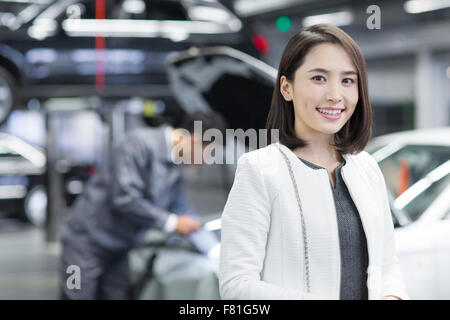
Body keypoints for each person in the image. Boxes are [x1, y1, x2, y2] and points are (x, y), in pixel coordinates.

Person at [219, 24, 409, 300]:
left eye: (347, 80)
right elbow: (236, 286)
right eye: (319, 78)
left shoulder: (366, 167)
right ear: (286, 87)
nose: (335, 95)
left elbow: (388, 266)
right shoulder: (259, 169)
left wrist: (394, 297)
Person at [60, 111, 226, 300]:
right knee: (77, 296)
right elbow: (124, 198)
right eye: (208, 153)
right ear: (195, 140)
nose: (204, 161)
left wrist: (214, 250)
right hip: (87, 244)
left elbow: (182, 211)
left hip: (121, 249)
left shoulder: (175, 166)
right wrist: (171, 223)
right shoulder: (137, 145)